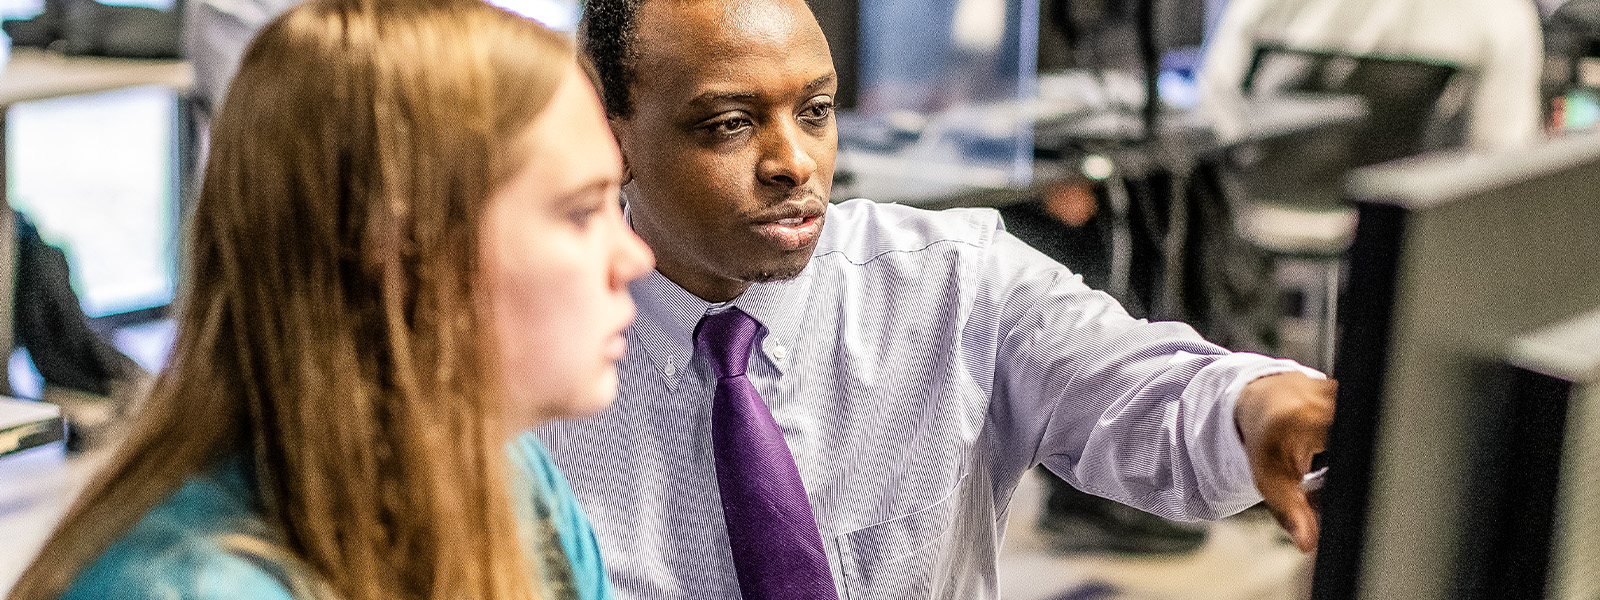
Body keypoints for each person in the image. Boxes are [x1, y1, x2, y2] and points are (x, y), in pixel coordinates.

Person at [536, 0, 1335, 597]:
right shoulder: (532, 355)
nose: (794, 162)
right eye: (730, 124)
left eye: (815, 112)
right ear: (613, 140)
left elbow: (1140, 386)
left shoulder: (948, 281)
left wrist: (1252, 404)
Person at [5, 0, 652, 598]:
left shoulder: (512, 480)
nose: (634, 258)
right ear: (403, 252)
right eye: (579, 213)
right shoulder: (191, 586)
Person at [1198, 0, 1544, 151]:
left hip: (1250, 232)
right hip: (1401, 257)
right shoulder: (1503, 11)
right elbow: (1502, 163)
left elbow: (1209, 106)